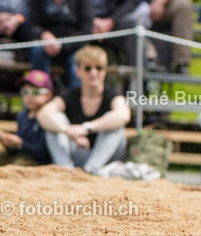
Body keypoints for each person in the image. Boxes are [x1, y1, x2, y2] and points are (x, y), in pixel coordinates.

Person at [36, 45, 130, 173]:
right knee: (55, 119)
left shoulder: (113, 95)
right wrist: (70, 132)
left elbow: (123, 115)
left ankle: (92, 169)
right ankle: (65, 169)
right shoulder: (71, 95)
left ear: (105, 70)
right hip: (78, 155)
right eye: (87, 68)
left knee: (114, 121)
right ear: (78, 71)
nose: (93, 73)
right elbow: (44, 114)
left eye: (99, 68)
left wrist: (86, 128)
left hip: (107, 160)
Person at [28, 0, 93, 89]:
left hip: (72, 45)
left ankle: (75, 102)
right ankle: (41, 94)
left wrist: (62, 45)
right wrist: (43, 35)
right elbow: (31, 24)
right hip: (44, 45)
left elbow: (87, 30)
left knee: (78, 61)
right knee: (37, 50)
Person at [0, 70, 53, 167]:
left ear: (48, 95)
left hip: (35, 162)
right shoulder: (23, 116)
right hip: (18, 156)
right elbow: (15, 150)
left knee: (17, 165)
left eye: (35, 92)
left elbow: (44, 154)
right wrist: (8, 143)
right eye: (25, 91)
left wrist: (20, 144)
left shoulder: (49, 118)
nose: (29, 96)